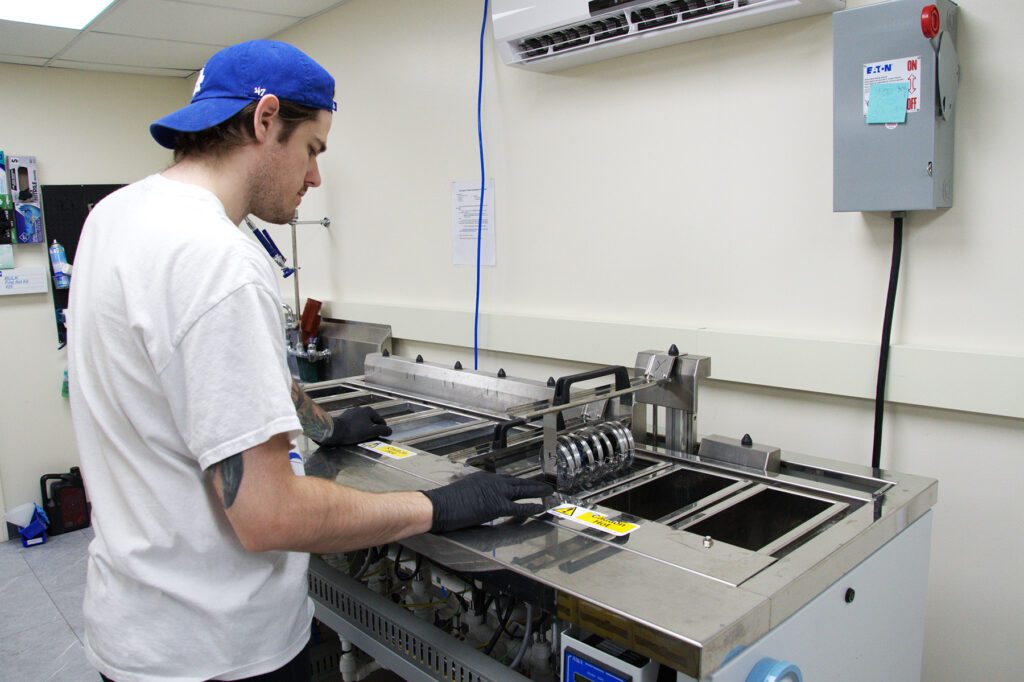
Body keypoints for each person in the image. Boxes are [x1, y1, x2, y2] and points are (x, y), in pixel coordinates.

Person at [67, 40, 552, 682]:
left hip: (132, 626)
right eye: (313, 149)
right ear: (265, 119)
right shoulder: (220, 262)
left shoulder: (115, 216)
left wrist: (321, 424)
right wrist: (440, 504)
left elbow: (188, 378)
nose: (315, 177)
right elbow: (269, 516)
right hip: (220, 651)